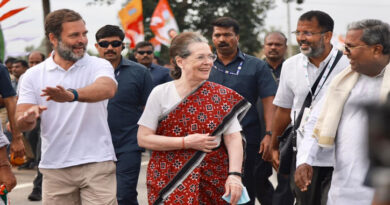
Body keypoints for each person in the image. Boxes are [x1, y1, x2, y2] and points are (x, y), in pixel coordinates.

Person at [15, 9, 118, 204]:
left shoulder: (99, 65)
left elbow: (107, 88)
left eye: (84, 33)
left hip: (97, 163)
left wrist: (72, 95)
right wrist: (27, 119)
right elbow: (22, 121)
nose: (82, 40)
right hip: (55, 167)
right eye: (74, 35)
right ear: (53, 38)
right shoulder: (33, 75)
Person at [137, 32, 250, 205]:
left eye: (210, 57)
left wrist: (234, 175)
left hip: (213, 178)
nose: (208, 62)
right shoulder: (161, 93)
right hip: (169, 178)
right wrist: (186, 142)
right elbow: (143, 138)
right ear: (180, 61)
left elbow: (233, 137)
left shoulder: (221, 95)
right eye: (200, 57)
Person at [295, 19, 390, 205]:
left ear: (376, 49)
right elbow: (315, 121)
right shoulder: (342, 83)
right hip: (343, 192)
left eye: (350, 47)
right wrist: (305, 159)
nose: (345, 53)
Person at [270, 10, 350, 205]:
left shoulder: (348, 65)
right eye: (298, 33)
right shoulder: (291, 66)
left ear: (328, 35)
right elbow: (283, 109)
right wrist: (274, 145)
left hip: (340, 156)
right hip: (304, 155)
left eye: (308, 33)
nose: (301, 39)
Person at [208, 16, 277, 205]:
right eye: (217, 35)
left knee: (243, 191)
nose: (222, 39)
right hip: (208, 141)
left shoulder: (256, 66)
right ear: (212, 38)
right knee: (210, 190)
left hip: (248, 139)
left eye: (227, 35)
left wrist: (270, 134)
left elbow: (269, 100)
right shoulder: (204, 65)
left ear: (237, 37)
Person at [95, 25, 153, 205]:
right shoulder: (87, 72)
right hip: (94, 145)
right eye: (104, 44)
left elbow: (150, 109)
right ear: (97, 46)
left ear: (123, 45)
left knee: (124, 195)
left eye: (115, 43)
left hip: (128, 144)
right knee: (100, 197)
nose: (110, 48)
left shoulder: (139, 72)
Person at [263, 31, 294, 205]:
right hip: (262, 132)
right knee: (257, 177)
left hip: (288, 134)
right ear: (264, 46)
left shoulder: (293, 68)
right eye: (270, 44)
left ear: (285, 47)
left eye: (278, 44)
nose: (273, 47)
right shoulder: (257, 69)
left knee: (285, 180)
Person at [24, 51, 45, 201]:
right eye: (31, 62)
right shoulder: (27, 78)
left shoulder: (47, 75)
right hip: (31, 120)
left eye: (37, 62)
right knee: (34, 146)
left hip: (47, 120)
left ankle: (38, 188)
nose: (33, 65)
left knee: (41, 155)